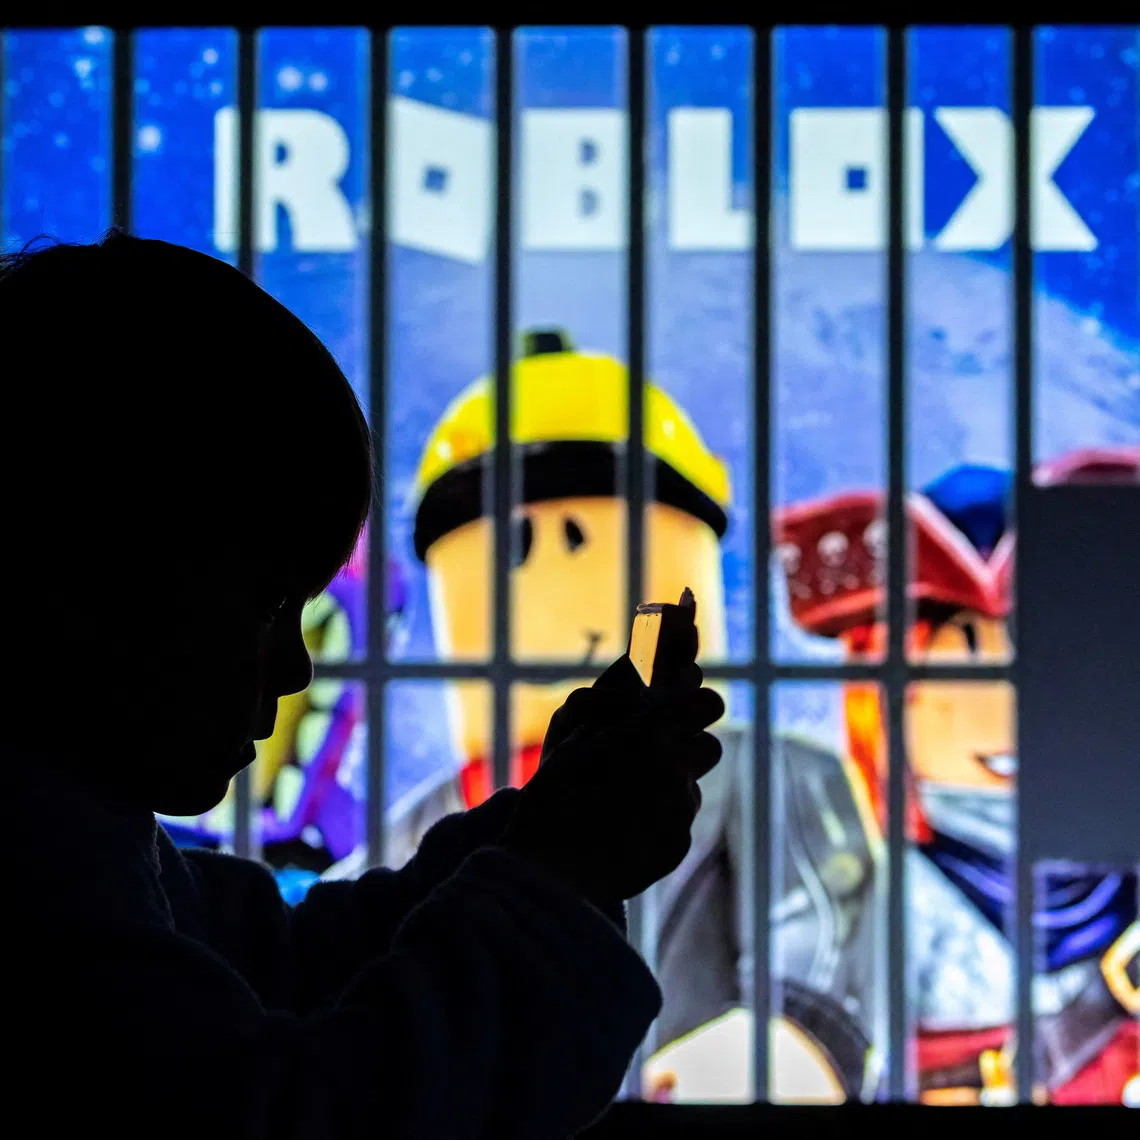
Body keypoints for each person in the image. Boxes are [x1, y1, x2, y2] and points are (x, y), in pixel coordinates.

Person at [4, 230, 724, 1135]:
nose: (296, 668)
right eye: (266, 606)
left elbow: (295, 965)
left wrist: (537, 832)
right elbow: (313, 1120)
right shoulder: (35, 881)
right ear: (79, 584)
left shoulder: (89, 848)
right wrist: (557, 872)